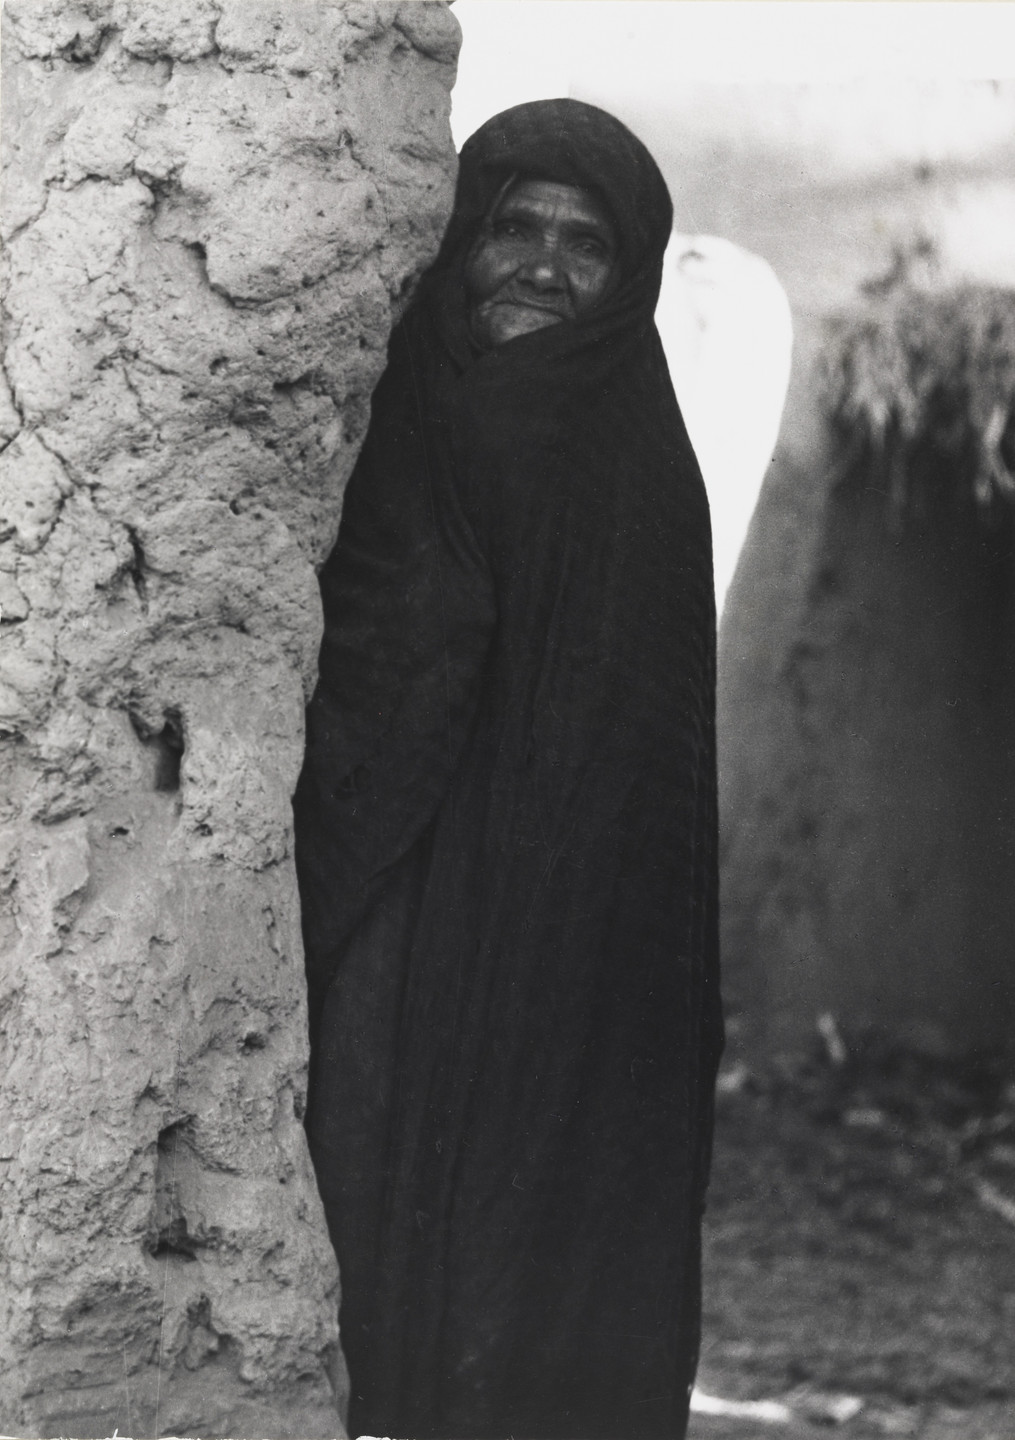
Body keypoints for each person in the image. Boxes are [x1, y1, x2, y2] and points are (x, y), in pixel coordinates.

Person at [293, 99, 723, 1440]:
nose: (542, 266)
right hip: (388, 914)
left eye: (583, 245)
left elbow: (642, 773)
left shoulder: (642, 475)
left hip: (564, 960)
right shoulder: (391, 422)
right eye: (513, 228)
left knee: (533, 1267)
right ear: (456, 244)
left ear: (627, 274)